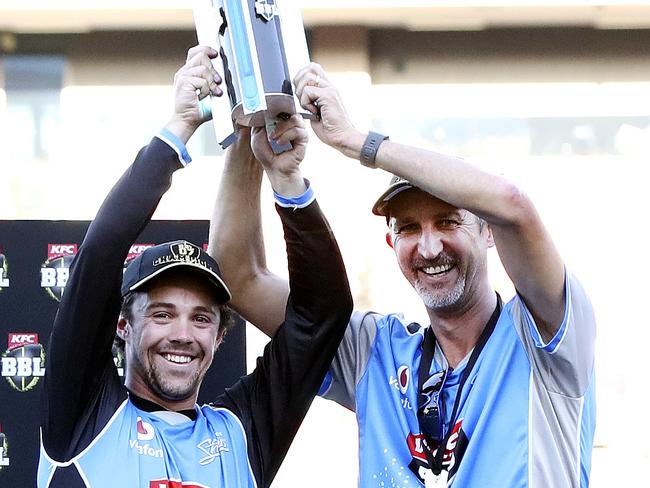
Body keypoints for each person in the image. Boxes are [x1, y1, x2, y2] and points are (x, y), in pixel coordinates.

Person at [210, 63, 597, 487]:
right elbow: (236, 277)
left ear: (488, 231)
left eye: (448, 221)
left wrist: (358, 143)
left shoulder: (543, 335)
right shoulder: (374, 351)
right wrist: (250, 133)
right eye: (409, 228)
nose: (429, 248)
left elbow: (511, 202)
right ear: (392, 243)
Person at [37, 46, 352, 488]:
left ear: (220, 335)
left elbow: (321, 318)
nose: (182, 334)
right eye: (162, 314)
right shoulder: (85, 414)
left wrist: (287, 180)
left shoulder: (242, 433)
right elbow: (102, 251)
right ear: (124, 325)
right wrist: (181, 126)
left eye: (201, 318)